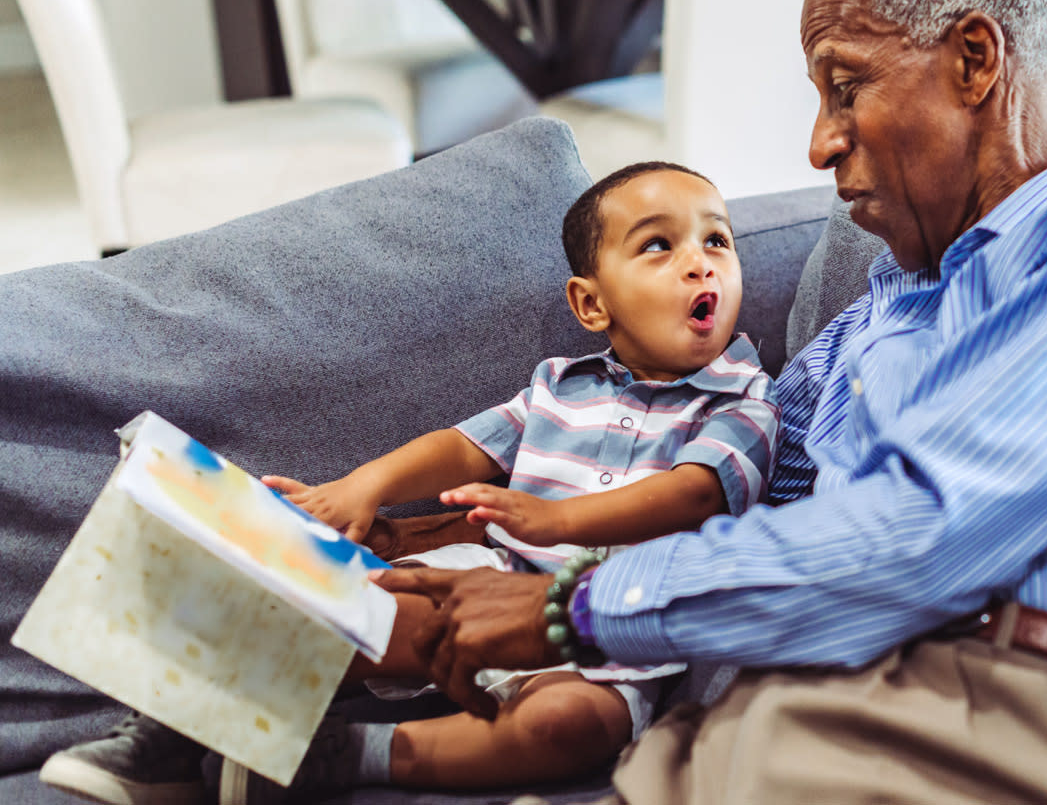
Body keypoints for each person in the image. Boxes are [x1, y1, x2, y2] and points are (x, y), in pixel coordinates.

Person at [375, 0, 1047, 805]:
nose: (819, 144)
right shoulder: (867, 321)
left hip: (997, 717)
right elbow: (717, 487)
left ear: (975, 61)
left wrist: (572, 607)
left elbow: (917, 536)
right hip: (757, 714)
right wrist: (439, 539)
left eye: (845, 87)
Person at [38, 161, 778, 805]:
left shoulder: (743, 401)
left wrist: (557, 521)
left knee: (572, 727)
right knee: (354, 600)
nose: (700, 262)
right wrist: (367, 485)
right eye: (660, 244)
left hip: (610, 635)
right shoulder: (560, 385)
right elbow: (459, 446)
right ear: (591, 304)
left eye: (718, 239)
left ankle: (338, 757)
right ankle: (176, 733)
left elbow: (693, 494)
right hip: (489, 581)